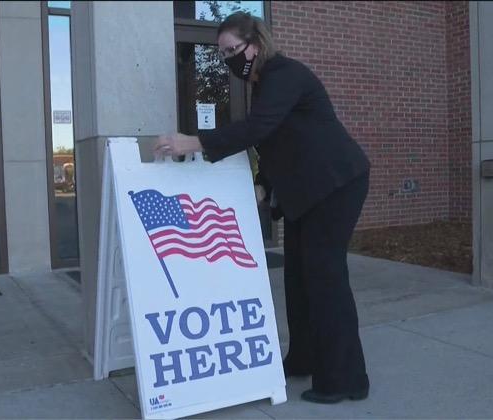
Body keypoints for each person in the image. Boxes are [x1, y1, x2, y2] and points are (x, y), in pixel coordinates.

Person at [154, 11, 371, 404]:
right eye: (222, 54)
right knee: (298, 279)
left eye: (232, 50)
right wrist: (262, 184)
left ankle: (346, 379)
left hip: (336, 184)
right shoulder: (265, 83)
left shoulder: (284, 74)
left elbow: (259, 129)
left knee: (325, 278)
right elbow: (277, 143)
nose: (228, 59)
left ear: (256, 43)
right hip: (307, 191)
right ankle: (304, 358)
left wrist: (193, 142)